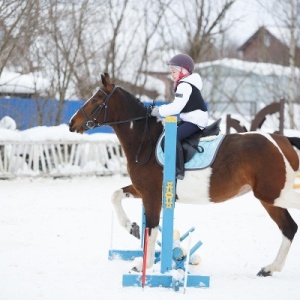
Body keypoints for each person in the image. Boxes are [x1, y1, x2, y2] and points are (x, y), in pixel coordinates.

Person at [151, 53, 208, 180]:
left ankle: (178, 170)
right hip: (190, 118)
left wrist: (159, 111)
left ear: (183, 71)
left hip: (194, 121)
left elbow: (177, 107)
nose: (172, 75)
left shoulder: (185, 85)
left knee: (171, 138)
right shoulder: (186, 84)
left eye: (173, 72)